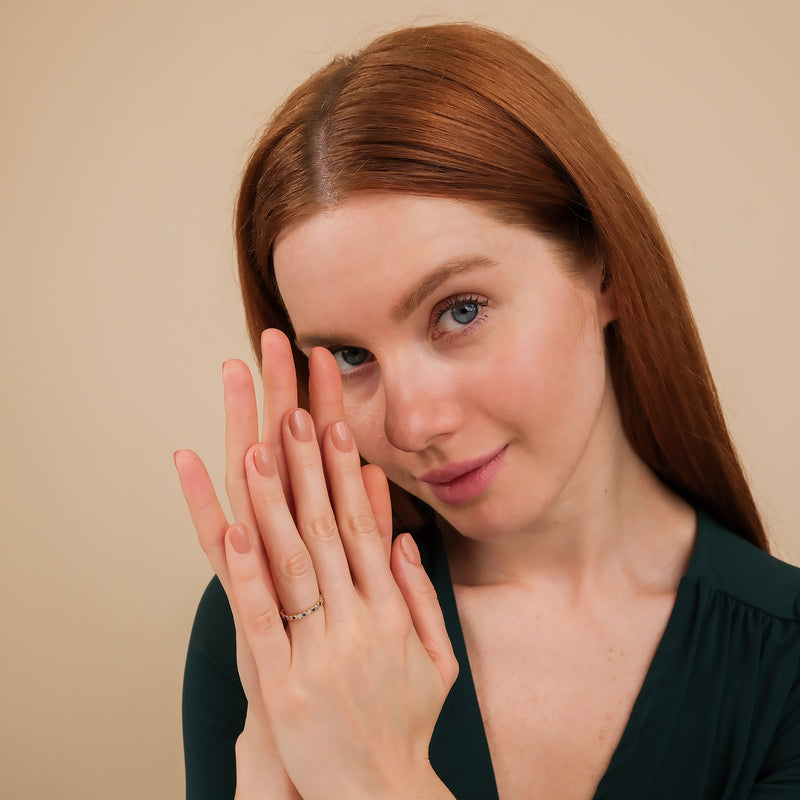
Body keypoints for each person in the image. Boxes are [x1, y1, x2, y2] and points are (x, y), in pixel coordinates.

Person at [174, 22, 800, 800]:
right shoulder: (292, 627)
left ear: (604, 268)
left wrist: (381, 781)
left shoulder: (784, 665)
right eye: (347, 356)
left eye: (460, 311)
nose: (411, 426)